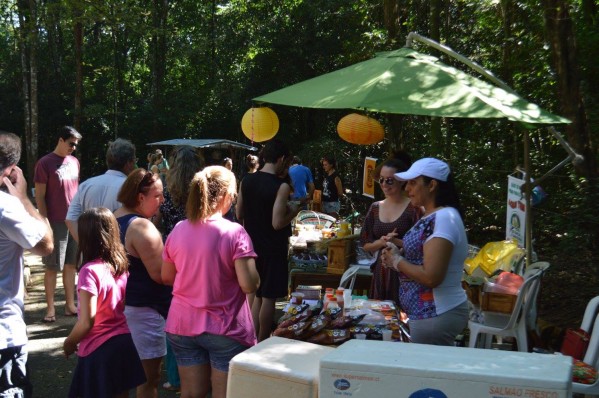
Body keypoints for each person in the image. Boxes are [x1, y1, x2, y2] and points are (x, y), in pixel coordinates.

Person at [162, 166, 260, 398]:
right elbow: (249, 285)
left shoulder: (178, 229)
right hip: (225, 327)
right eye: (234, 196)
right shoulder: (235, 233)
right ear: (226, 195)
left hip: (182, 324)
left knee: (191, 393)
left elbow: (167, 277)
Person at [381, 158, 469, 346]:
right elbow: (423, 252)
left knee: (428, 373)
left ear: (432, 185)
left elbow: (431, 277)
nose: (407, 189)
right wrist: (399, 251)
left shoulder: (443, 218)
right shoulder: (433, 215)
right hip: (428, 313)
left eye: (413, 183)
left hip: (435, 313)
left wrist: (397, 261)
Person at [63, 207, 146, 398]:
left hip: (98, 348)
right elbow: (121, 305)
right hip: (122, 342)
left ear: (86, 237)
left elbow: (87, 321)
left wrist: (69, 342)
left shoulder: (89, 271)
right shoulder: (120, 266)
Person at [1, 131, 54, 397]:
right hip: (4, 337)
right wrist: (23, 197)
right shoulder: (6, 207)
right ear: (11, 170)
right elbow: (45, 244)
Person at [114, 168, 171, 398]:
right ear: (140, 197)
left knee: (120, 378)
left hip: (117, 309)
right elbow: (161, 275)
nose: (162, 200)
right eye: (158, 195)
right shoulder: (141, 227)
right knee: (149, 380)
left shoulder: (111, 218)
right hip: (144, 311)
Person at [236, 139, 300, 341]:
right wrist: (295, 211)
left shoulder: (246, 180)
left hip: (251, 244)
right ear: (281, 159)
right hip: (273, 246)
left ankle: (250, 340)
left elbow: (239, 213)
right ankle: (263, 340)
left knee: (255, 295)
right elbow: (277, 222)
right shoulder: (280, 186)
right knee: (269, 296)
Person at [155, 145, 202, 392]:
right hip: (201, 253)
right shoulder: (202, 189)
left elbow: (157, 220)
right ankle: (199, 372)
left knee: (174, 317)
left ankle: (175, 378)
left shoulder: (166, 189)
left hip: (174, 254)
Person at [34, 126, 82, 322]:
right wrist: (44, 222)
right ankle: (50, 309)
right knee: (53, 266)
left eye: (76, 145)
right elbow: (39, 197)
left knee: (71, 265)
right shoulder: (45, 163)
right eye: (71, 143)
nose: (73, 148)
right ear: (61, 140)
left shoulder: (74, 162)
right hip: (54, 221)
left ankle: (70, 305)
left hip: (74, 220)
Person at [360, 153, 422, 303]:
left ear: (401, 182)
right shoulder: (375, 207)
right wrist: (381, 243)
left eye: (389, 181)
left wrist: (398, 242)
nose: (384, 185)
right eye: (381, 180)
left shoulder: (414, 208)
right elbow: (364, 244)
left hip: (405, 274)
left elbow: (423, 246)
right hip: (381, 274)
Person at [65, 138, 137, 242]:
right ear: (129, 163)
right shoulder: (131, 188)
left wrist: (85, 246)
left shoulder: (86, 185)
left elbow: (70, 219)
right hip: (120, 253)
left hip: (90, 254)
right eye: (135, 160)